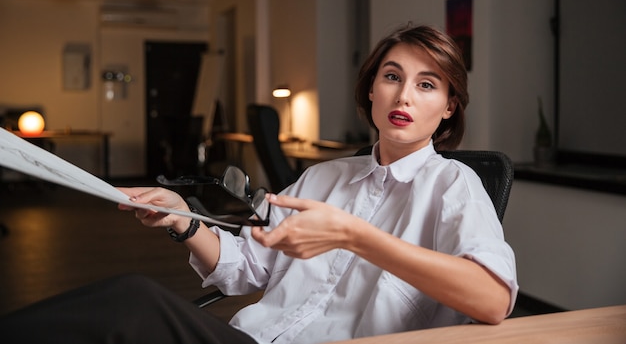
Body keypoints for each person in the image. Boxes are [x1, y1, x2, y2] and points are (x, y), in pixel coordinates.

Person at [0, 24, 518, 344]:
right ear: (371, 90)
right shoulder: (324, 176)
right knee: (124, 308)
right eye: (391, 76)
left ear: (449, 107)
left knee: (134, 301)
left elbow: (493, 300)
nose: (404, 95)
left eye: (427, 85)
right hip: (247, 338)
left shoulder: (455, 186)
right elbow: (252, 264)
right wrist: (183, 219)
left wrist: (356, 236)